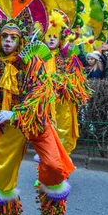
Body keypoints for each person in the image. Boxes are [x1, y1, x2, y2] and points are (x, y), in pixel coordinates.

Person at [0, 19, 75, 215]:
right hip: (8, 124)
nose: (8, 41)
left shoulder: (33, 61)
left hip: (35, 120)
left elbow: (41, 93)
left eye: (13, 37)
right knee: (2, 174)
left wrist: (18, 113)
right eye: (5, 37)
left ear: (21, 40)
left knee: (52, 164)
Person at [43, 12, 90, 156]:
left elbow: (77, 81)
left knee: (63, 136)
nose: (51, 39)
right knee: (45, 138)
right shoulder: (39, 57)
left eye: (55, 36)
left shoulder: (69, 57)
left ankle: (62, 171)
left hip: (63, 104)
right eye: (49, 36)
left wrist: (62, 84)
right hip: (44, 103)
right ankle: (44, 172)